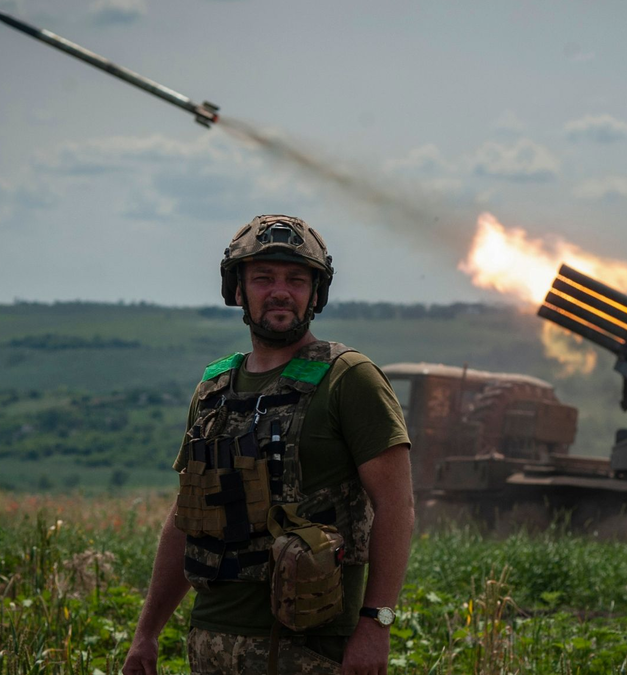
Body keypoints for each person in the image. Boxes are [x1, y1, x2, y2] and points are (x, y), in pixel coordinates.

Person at [123, 215, 414, 675]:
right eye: (263, 278)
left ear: (316, 293)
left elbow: (397, 508)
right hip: (212, 643)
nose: (280, 291)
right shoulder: (214, 389)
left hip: (312, 649)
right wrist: (147, 634)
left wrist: (376, 623)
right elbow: (187, 515)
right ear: (237, 290)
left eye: (297, 280)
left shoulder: (350, 379)